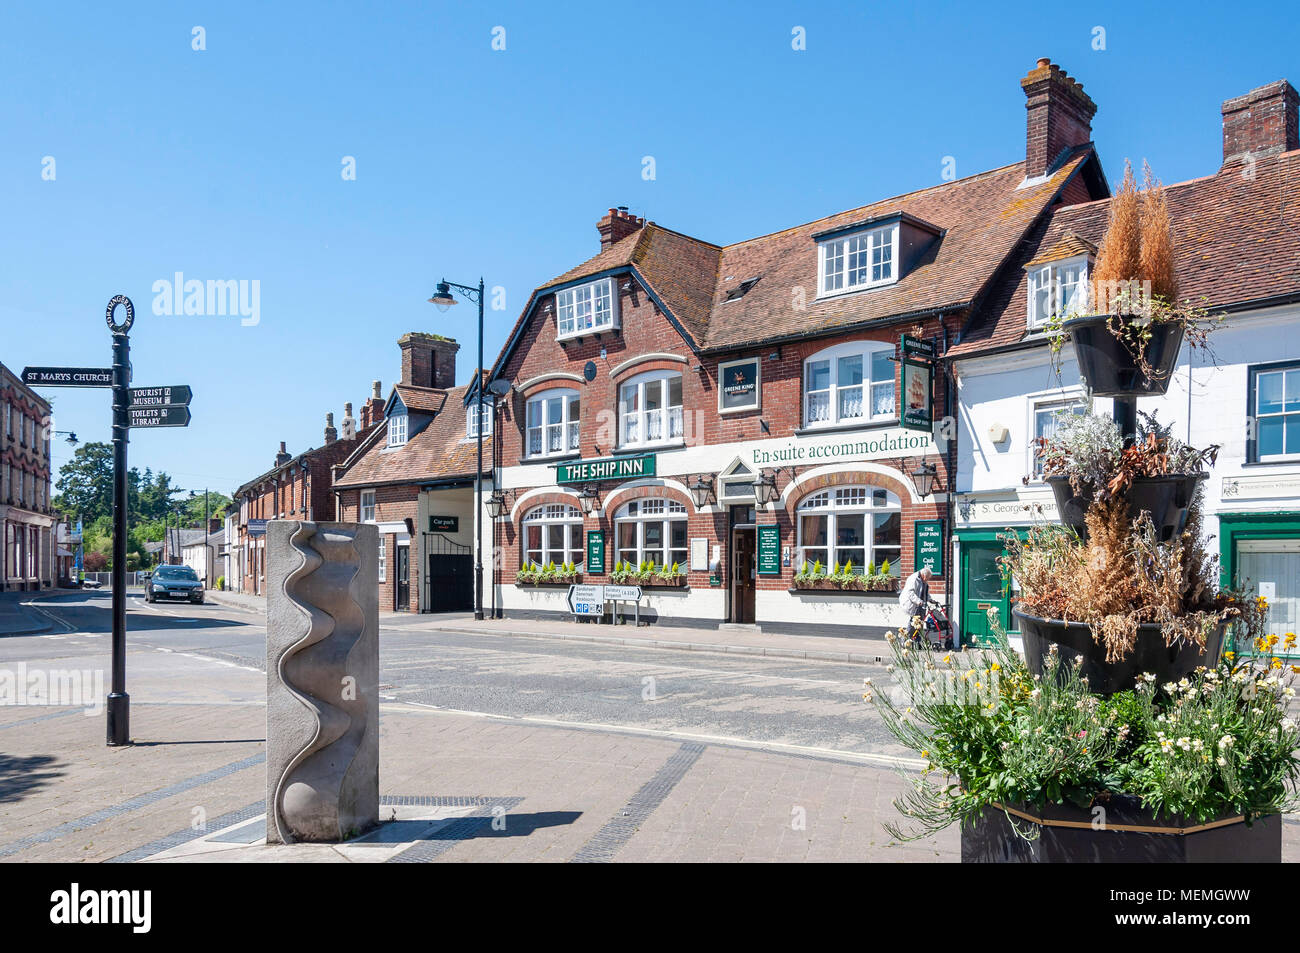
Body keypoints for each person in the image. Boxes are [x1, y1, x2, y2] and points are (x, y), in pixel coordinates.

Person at [899, 565, 933, 630]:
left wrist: (930, 599)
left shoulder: (923, 581)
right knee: (913, 623)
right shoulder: (914, 579)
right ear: (924, 575)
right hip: (912, 604)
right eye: (927, 578)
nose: (927, 580)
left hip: (921, 605)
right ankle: (906, 639)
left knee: (920, 624)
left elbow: (925, 592)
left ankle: (918, 639)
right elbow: (910, 593)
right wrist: (919, 601)